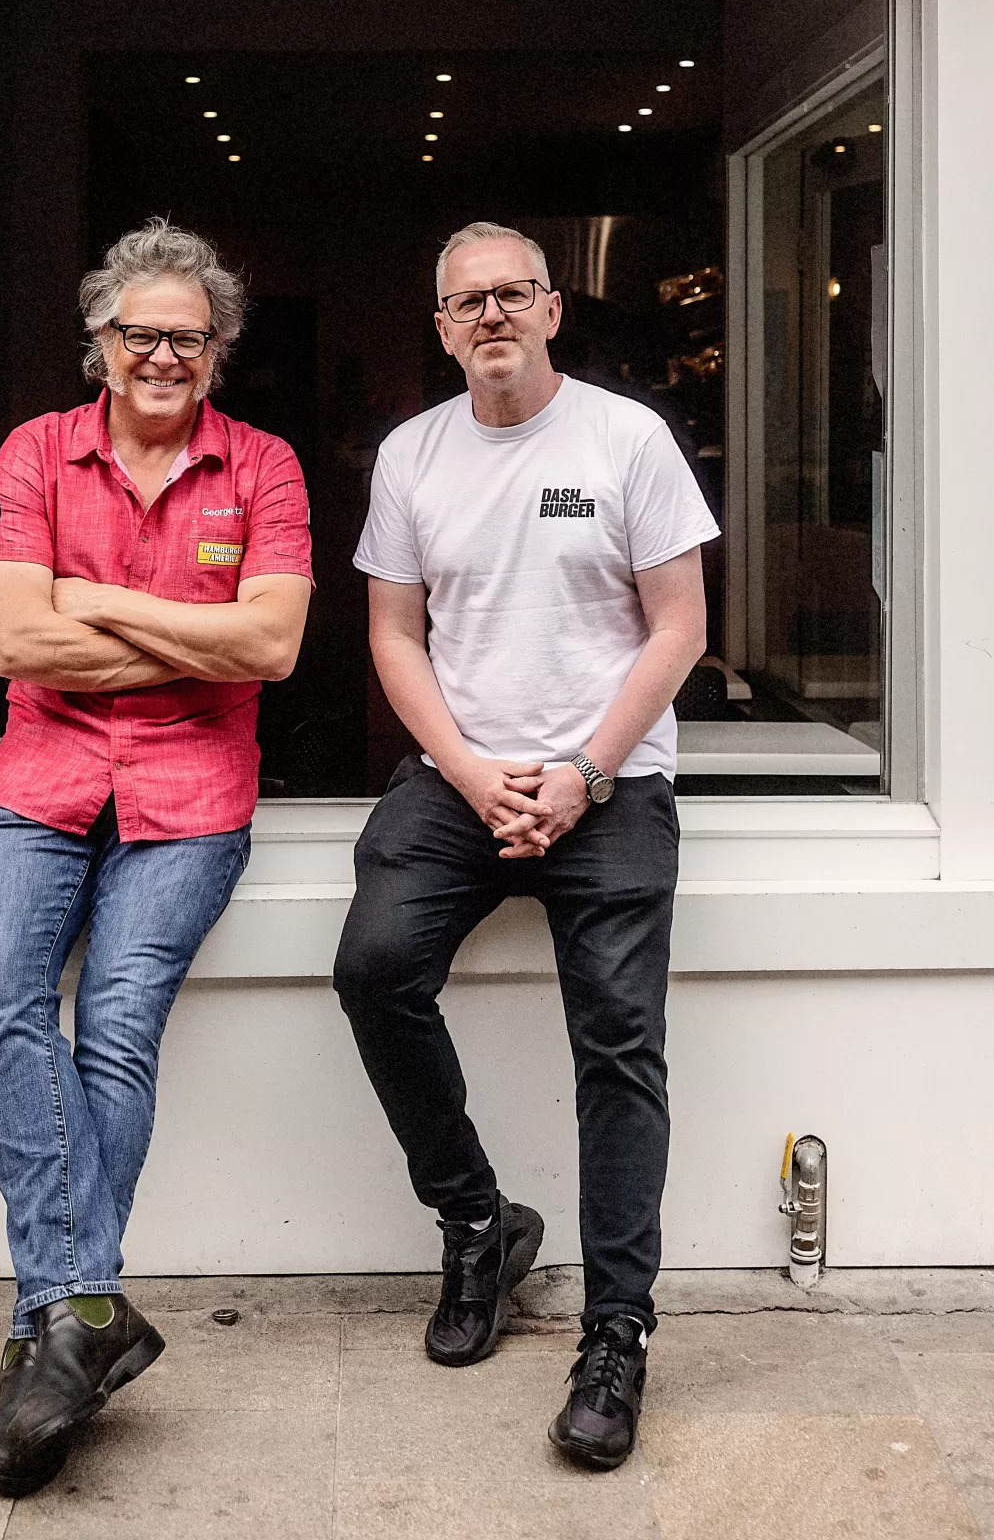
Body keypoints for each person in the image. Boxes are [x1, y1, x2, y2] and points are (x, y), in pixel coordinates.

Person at [333, 221, 714, 1471]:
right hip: (464, 772)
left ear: (551, 308)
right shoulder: (413, 454)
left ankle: (616, 1333)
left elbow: (678, 626)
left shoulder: (625, 439)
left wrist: (585, 771)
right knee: (374, 967)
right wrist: (467, 766)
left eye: (511, 295)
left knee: (617, 1041)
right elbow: (394, 634)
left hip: (606, 779)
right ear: (440, 328)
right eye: (464, 303)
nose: (489, 316)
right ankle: (479, 1221)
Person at [0, 218, 313, 1498]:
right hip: (41, 775)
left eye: (189, 335)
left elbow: (271, 648)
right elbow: (13, 643)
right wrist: (189, 638)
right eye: (139, 333)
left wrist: (92, 600)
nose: (164, 353)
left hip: (193, 790)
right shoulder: (34, 452)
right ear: (99, 343)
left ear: (217, 351)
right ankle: (82, 1306)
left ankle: (48, 1326)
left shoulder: (262, 467)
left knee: (114, 1020)